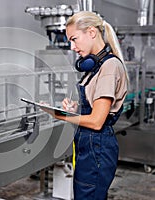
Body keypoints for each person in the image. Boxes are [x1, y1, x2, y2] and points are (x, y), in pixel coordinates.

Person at [42, 11, 128, 200]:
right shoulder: (95, 67)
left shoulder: (109, 67)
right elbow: (94, 108)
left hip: (97, 145)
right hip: (88, 144)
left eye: (74, 39)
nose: (72, 47)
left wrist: (61, 115)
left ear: (91, 32)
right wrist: (75, 108)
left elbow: (97, 121)